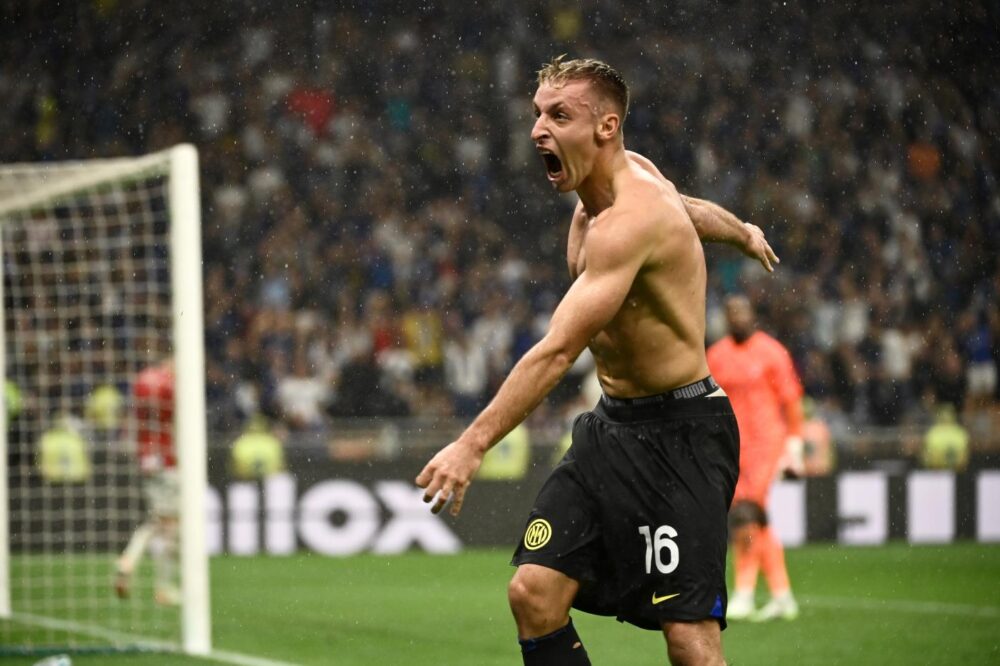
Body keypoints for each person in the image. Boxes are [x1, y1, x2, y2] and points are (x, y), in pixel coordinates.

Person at [417, 56, 777, 666]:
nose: (538, 129)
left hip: (682, 435)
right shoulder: (617, 189)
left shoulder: (627, 221)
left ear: (606, 127)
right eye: (537, 114)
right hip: (612, 429)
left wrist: (472, 444)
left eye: (559, 115)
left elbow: (558, 351)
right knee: (533, 594)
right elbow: (690, 207)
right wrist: (741, 230)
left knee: (689, 642)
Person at [706, 295, 803, 622]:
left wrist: (794, 443)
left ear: (752, 315)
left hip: (765, 444)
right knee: (755, 520)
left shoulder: (771, 352)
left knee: (747, 513)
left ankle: (745, 593)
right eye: (731, 312)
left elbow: (791, 400)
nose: (737, 317)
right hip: (732, 448)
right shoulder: (716, 355)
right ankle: (781, 594)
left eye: (741, 311)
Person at [114, 358, 180, 606]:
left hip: (146, 458)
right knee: (169, 526)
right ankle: (162, 586)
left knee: (159, 521)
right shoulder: (170, 386)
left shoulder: (142, 382)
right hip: (167, 459)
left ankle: (130, 560)